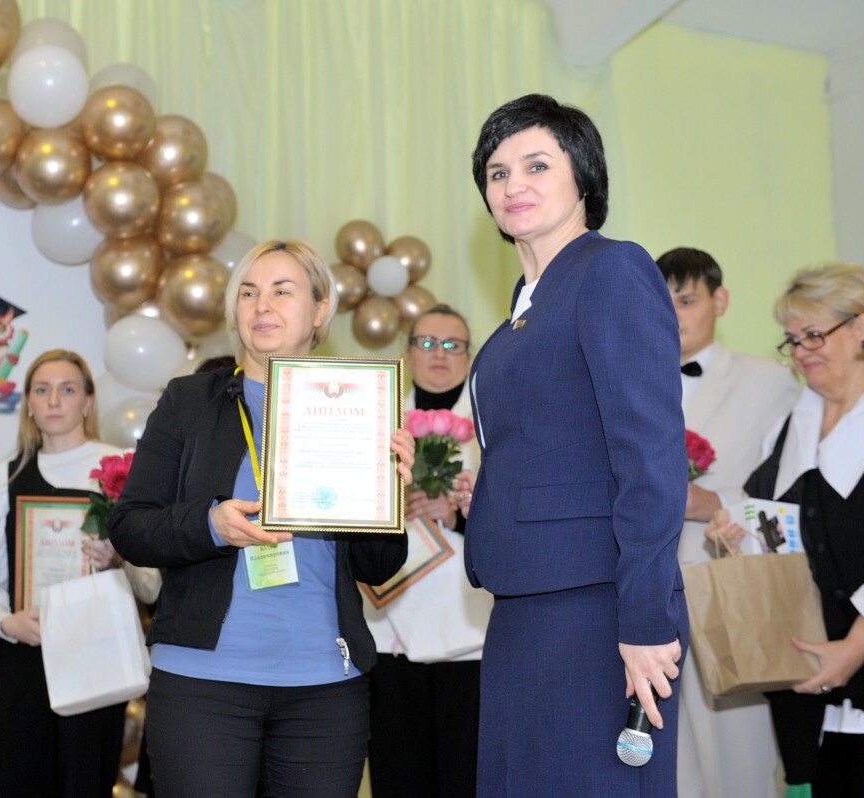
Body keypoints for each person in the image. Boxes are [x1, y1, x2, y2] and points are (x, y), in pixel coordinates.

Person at [108, 239, 414, 798]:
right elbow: (130, 527)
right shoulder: (188, 400)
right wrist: (211, 525)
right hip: (203, 684)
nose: (262, 305)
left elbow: (378, 564)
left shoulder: (357, 406)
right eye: (248, 293)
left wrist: (389, 491)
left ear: (320, 310)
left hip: (325, 686)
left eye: (282, 291)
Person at [456, 93, 687, 796]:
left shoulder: (612, 269)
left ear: (582, 176)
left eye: (536, 165)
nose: (513, 185)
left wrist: (644, 618)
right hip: (521, 603)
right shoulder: (518, 315)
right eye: (497, 173)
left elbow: (650, 457)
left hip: (596, 606)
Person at [706, 263, 864, 796]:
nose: (801, 351)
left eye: (813, 334)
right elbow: (773, 531)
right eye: (792, 340)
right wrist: (731, 531)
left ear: (863, 327)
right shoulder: (790, 429)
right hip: (822, 709)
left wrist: (852, 647)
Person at [0, 349, 161, 797]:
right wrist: (6, 622)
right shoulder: (6, 476)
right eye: (42, 390)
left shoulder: (120, 469)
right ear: (28, 404)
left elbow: (151, 583)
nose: (54, 400)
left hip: (94, 660)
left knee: (83, 784)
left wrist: (118, 558)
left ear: (88, 401)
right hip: (24, 656)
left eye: (67, 389)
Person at [656, 247, 799, 798]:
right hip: (651, 595)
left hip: (733, 587)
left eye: (687, 300)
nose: (673, 315)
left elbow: (792, 495)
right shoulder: (632, 384)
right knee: (669, 763)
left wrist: (713, 502)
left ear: (720, 301)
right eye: (662, 302)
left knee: (741, 761)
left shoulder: (770, 381)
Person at [364, 304, 491, 798]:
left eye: (453, 345)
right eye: (428, 343)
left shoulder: (492, 422)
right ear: (408, 352)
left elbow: (520, 520)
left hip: (467, 628)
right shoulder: (376, 418)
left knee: (466, 775)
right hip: (389, 628)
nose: (440, 354)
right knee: (398, 775)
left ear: (470, 355)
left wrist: (459, 514)